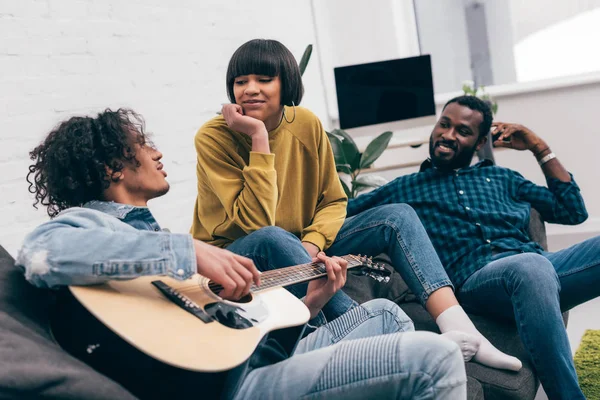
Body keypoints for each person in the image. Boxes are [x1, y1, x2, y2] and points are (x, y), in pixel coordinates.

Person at [16, 108, 467, 399]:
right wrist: (190, 250)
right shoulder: (91, 225)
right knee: (436, 358)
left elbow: (237, 337)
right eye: (142, 144)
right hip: (228, 389)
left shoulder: (150, 256)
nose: (156, 152)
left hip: (242, 363)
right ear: (113, 166)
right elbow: (41, 254)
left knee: (385, 313)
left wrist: (312, 303)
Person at [191, 38, 521, 371]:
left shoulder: (305, 124)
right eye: (240, 81)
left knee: (397, 217)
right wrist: (258, 139)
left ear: (285, 83)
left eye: (264, 80)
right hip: (238, 257)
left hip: (301, 243)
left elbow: (334, 200)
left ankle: (461, 329)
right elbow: (256, 223)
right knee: (274, 237)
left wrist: (312, 242)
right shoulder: (213, 137)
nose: (250, 89)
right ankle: (379, 336)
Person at [347, 94, 598, 400]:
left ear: (480, 143)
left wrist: (538, 146)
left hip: (538, 266)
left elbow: (573, 211)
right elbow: (342, 215)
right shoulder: (403, 188)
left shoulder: (503, 178)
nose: (447, 135)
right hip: (478, 280)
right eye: (444, 125)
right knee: (531, 267)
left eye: (462, 131)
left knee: (535, 266)